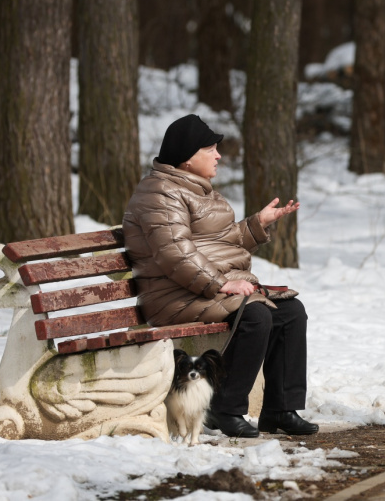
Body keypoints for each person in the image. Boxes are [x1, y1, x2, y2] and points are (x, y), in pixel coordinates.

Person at [122, 114, 318, 438]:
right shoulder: (159, 194)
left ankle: (280, 409)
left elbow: (221, 242)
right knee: (255, 314)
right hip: (173, 294)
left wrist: (257, 223)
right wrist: (223, 283)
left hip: (197, 289)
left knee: (290, 312)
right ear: (187, 158)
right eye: (210, 149)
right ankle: (224, 408)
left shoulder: (199, 190)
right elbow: (174, 251)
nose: (219, 156)